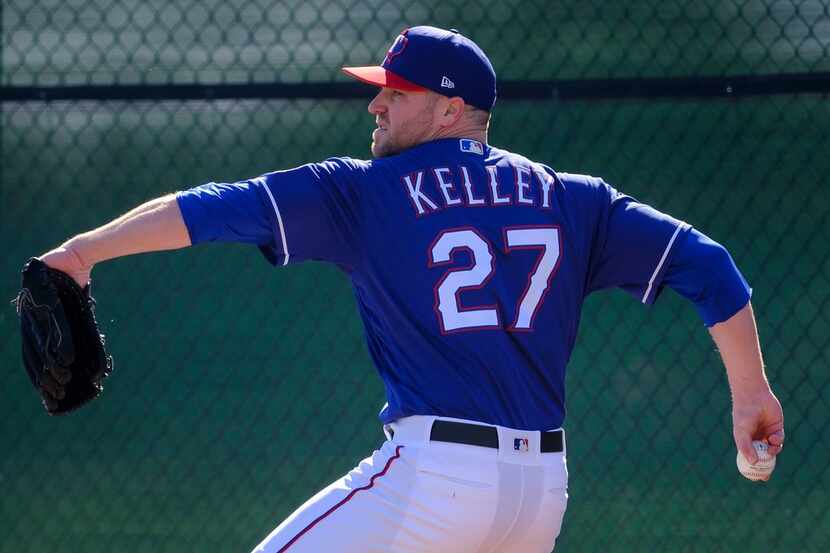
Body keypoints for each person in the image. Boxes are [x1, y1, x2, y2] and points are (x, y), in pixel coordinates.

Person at [37, 26, 784, 553]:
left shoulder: (368, 191)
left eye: (397, 91)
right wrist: (750, 392)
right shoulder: (571, 197)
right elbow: (708, 263)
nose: (376, 104)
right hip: (540, 492)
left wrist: (85, 250)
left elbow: (212, 208)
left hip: (435, 481)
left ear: (451, 109)